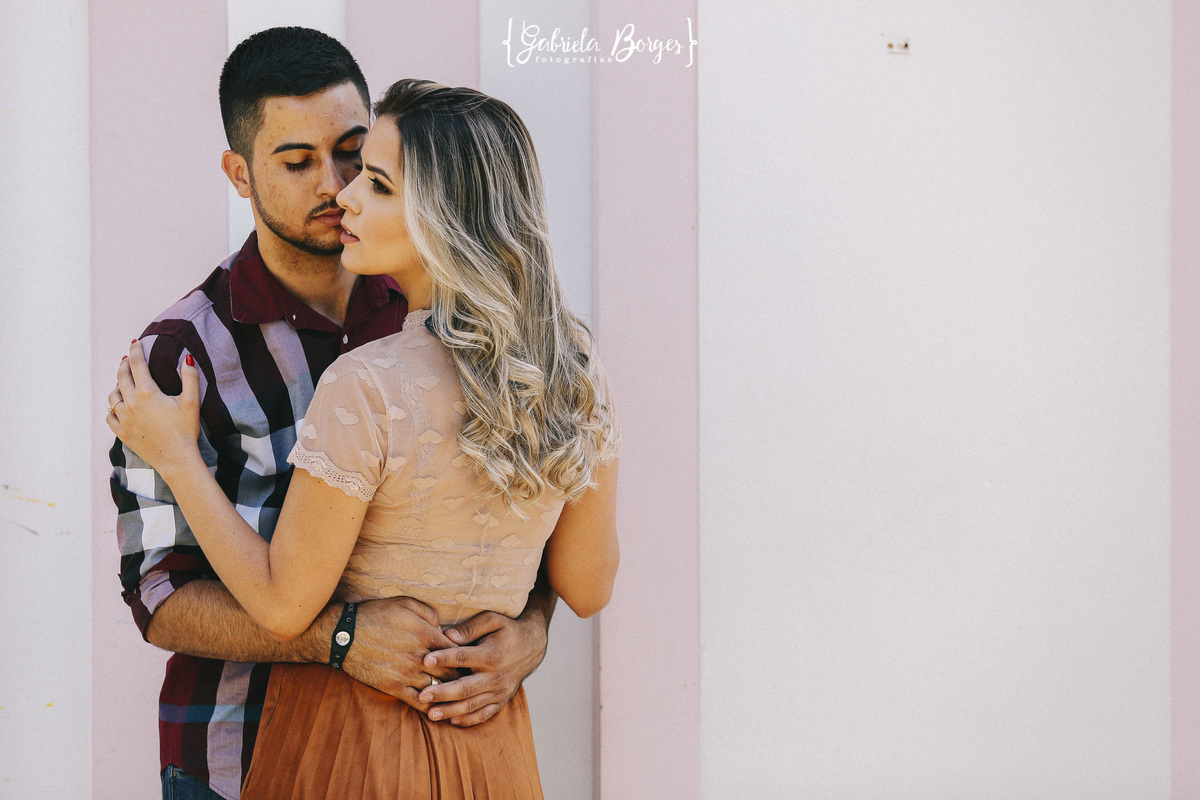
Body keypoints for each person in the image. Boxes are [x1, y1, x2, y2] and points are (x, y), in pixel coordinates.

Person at [110, 78, 621, 798]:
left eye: (368, 174)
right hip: (477, 747)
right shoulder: (570, 368)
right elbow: (589, 584)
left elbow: (284, 604)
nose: (341, 192)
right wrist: (353, 636)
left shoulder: (367, 379)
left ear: (443, 215)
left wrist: (176, 457)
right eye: (298, 162)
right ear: (240, 172)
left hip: (343, 744)